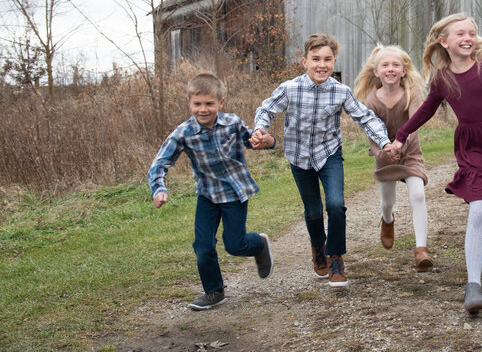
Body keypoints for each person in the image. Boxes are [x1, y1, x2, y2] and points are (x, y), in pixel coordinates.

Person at [388, 13, 482, 314]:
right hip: (473, 148)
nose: (468, 38)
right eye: (460, 33)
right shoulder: (442, 79)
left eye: (472, 33)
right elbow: (424, 111)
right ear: (443, 41)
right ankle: (473, 284)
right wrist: (401, 136)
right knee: (479, 209)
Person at [251, 33, 395, 288]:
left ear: (334, 62)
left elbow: (366, 118)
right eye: (316, 59)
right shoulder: (290, 88)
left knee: (336, 204)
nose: (322, 64)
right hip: (298, 156)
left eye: (327, 59)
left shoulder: (341, 92)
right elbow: (266, 109)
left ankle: (335, 257)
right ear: (304, 61)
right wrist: (260, 129)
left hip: (329, 155)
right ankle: (318, 246)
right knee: (314, 210)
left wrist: (383, 142)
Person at [147, 73, 276, 311]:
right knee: (203, 246)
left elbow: (253, 142)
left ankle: (258, 244)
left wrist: (267, 141)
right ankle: (214, 291)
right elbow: (159, 163)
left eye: (209, 104)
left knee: (234, 245)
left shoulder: (233, 123)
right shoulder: (183, 133)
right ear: (189, 103)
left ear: (220, 103)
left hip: (235, 192)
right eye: (197, 104)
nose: (203, 109)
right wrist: (159, 189)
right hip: (207, 194)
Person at [354, 44, 433, 271]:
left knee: (417, 194)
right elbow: (370, 129)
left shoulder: (411, 94)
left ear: (404, 70)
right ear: (376, 71)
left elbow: (415, 123)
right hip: (384, 155)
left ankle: (421, 249)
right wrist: (381, 151)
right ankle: (387, 220)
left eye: (395, 65)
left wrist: (401, 144)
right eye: (385, 65)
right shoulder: (372, 99)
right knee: (388, 201)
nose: (391, 69)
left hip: (409, 153)